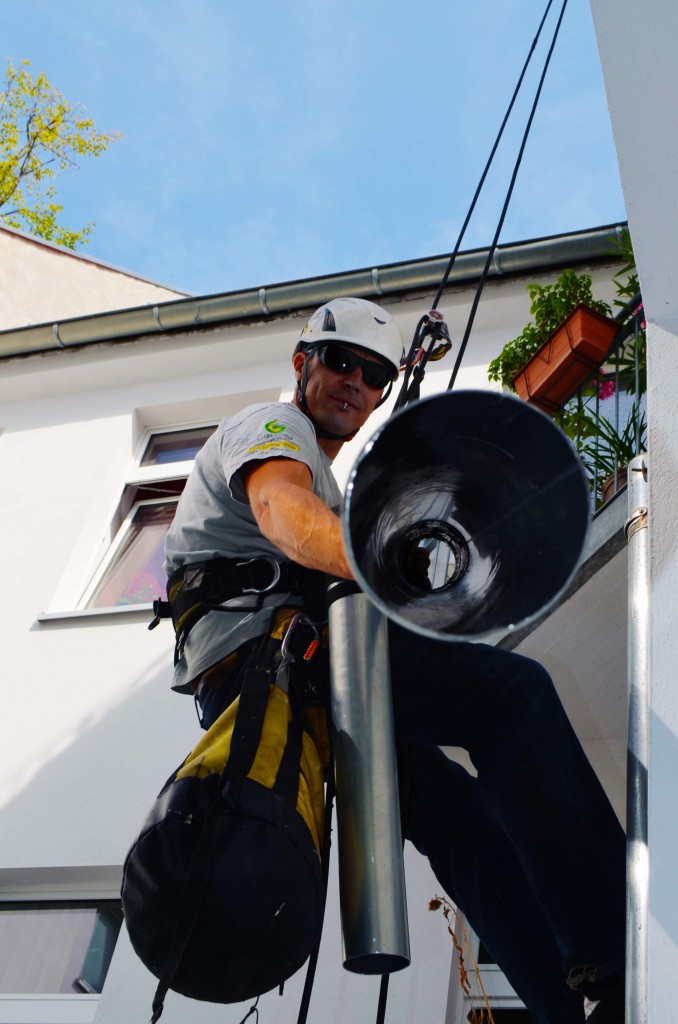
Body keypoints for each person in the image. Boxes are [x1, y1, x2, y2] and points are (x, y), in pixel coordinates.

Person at [163, 297, 626, 1024]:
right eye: (340, 361)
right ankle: (612, 939)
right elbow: (283, 512)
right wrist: (369, 558)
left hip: (307, 676)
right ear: (301, 364)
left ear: (382, 391)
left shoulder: (332, 481)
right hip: (284, 668)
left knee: (464, 826)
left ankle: (573, 1003)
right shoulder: (275, 430)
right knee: (512, 698)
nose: (355, 381)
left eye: (374, 373)